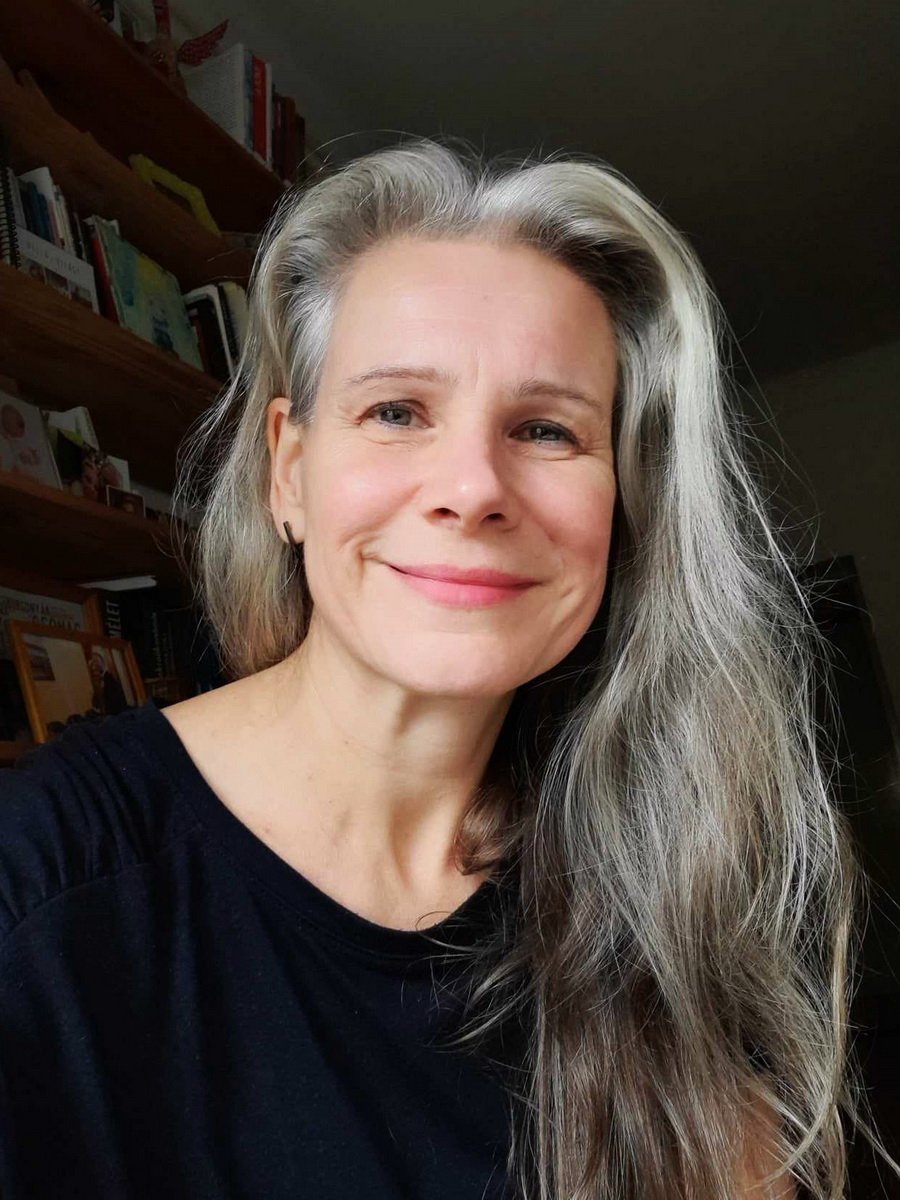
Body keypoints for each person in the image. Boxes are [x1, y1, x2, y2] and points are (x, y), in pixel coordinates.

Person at [0, 136, 892, 1200]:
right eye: (396, 412)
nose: (472, 489)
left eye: (547, 429)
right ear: (289, 470)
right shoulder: (40, 881)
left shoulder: (667, 874)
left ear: (625, 505)